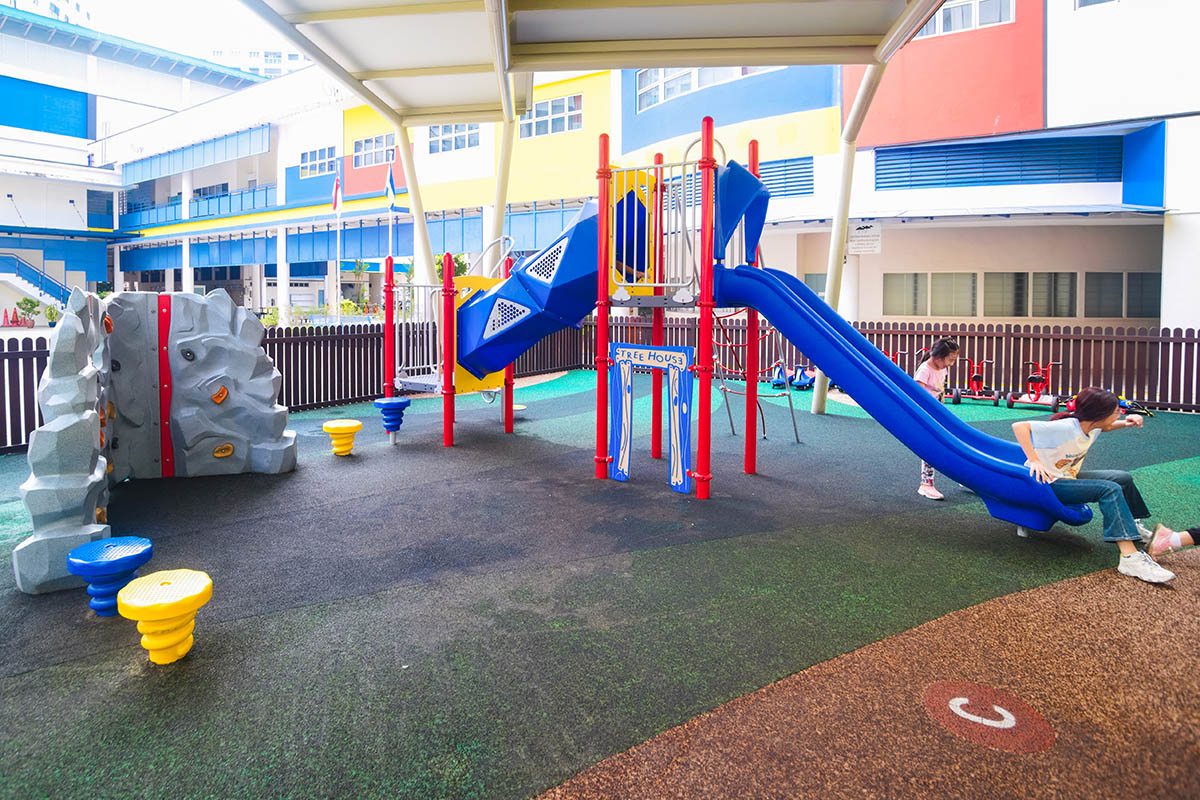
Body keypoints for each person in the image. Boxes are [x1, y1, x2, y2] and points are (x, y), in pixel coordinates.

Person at [1011, 387, 1173, 584]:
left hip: (1067, 477)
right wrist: (1034, 460)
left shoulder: (1091, 426)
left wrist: (1126, 423)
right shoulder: (1067, 427)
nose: (1119, 413)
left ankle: (1133, 526)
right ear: (1100, 414)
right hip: (1047, 484)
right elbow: (1020, 426)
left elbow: (1105, 427)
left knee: (1122, 478)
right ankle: (1130, 558)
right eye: (1116, 411)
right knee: (1109, 489)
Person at [914, 338, 959, 500]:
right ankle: (925, 485)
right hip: (925, 415)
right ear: (939, 356)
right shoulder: (925, 370)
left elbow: (940, 392)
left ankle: (964, 476)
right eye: (950, 359)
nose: (952, 364)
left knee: (953, 443)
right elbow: (918, 395)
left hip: (938, 412)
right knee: (930, 447)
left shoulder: (942, 368)